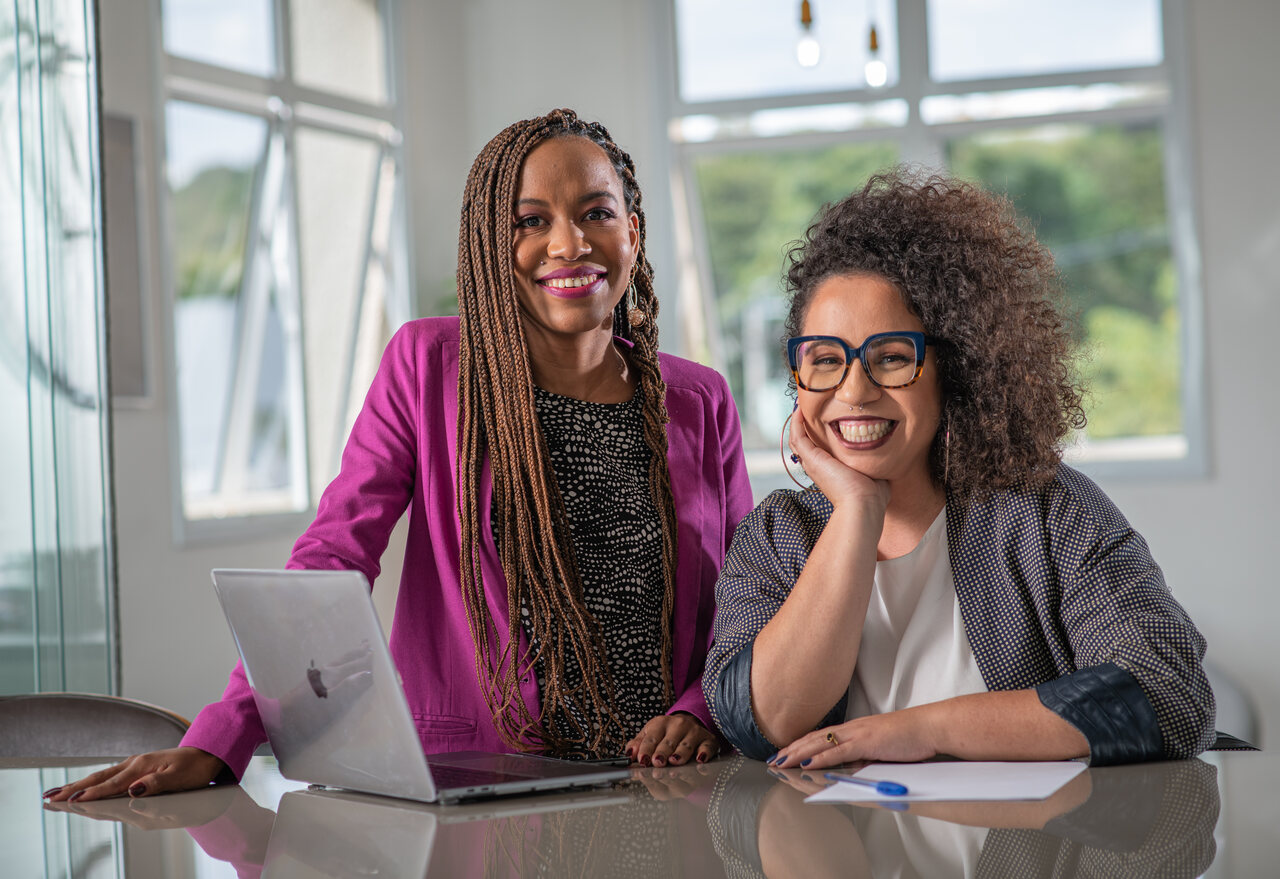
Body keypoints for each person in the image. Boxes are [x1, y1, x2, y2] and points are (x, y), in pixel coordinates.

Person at [48, 109, 753, 803]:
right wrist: (223, 734)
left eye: (595, 212)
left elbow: (745, 599)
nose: (567, 243)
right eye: (530, 220)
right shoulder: (429, 366)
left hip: (665, 791)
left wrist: (699, 707)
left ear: (632, 231)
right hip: (486, 792)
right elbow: (332, 559)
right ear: (488, 243)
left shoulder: (700, 399)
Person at [703, 168, 1215, 769]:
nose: (854, 390)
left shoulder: (1048, 510)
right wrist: (858, 510)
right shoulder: (775, 535)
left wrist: (920, 729)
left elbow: (1169, 694)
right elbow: (756, 722)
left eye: (892, 358)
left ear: (955, 369)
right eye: (825, 360)